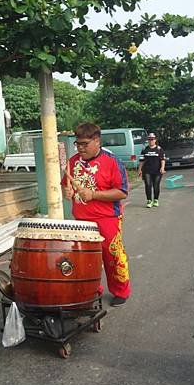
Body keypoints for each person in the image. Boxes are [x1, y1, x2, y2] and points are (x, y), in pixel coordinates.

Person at [62, 123, 131, 307]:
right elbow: (65, 185)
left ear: (97, 141)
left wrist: (93, 195)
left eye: (84, 144)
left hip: (108, 218)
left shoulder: (112, 161)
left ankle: (121, 290)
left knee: (112, 255)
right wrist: (66, 192)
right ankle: (93, 290)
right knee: (87, 259)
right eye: (78, 144)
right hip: (81, 220)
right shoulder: (72, 162)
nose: (80, 148)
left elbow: (122, 192)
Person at [138, 133, 166, 207]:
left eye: (152, 139)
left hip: (157, 171)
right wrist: (140, 170)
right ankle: (149, 200)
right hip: (147, 171)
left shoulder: (159, 149)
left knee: (156, 185)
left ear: (155, 140)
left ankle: (156, 200)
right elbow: (141, 161)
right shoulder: (145, 149)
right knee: (148, 185)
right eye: (149, 139)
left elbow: (162, 160)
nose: (151, 141)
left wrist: (162, 168)